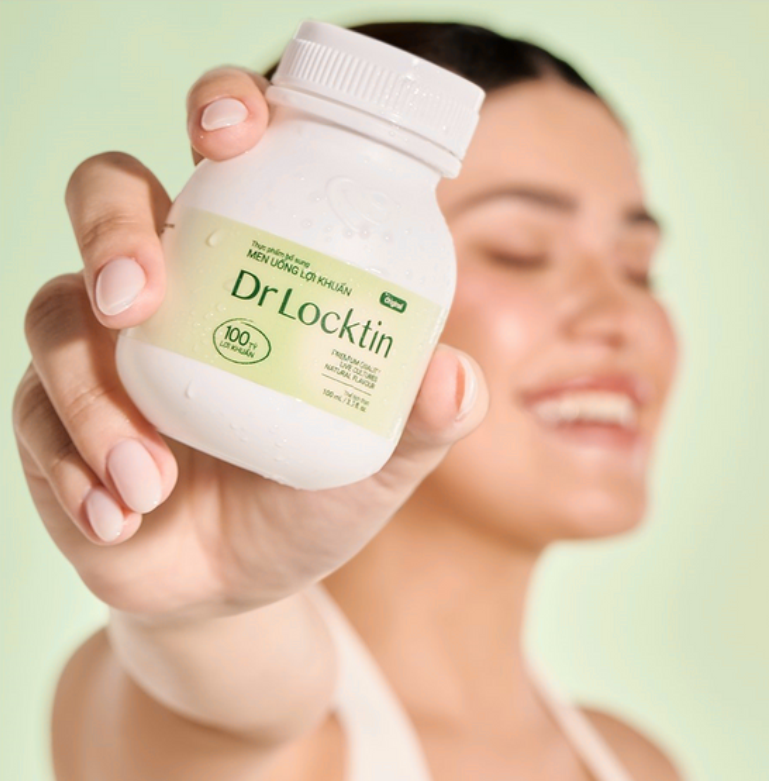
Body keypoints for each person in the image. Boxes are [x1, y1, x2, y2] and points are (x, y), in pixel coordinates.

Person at [13, 20, 681, 781]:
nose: (625, 317)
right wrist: (194, 613)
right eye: (519, 250)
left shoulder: (638, 764)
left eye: (640, 267)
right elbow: (220, 715)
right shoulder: (213, 731)